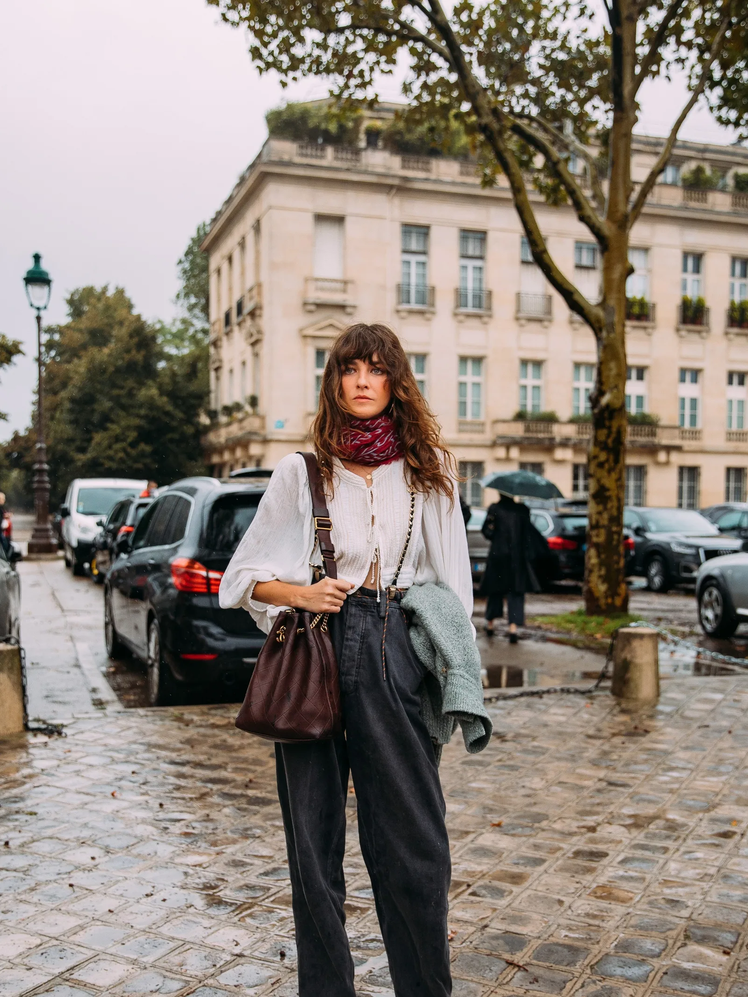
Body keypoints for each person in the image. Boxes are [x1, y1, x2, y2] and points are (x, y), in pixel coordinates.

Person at [220, 322, 473, 997]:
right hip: (317, 650)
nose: (362, 380)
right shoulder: (301, 473)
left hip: (398, 645)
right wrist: (301, 590)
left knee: (415, 844)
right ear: (334, 382)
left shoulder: (429, 473)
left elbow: (455, 588)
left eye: (375, 368)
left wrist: (453, 676)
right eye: (348, 369)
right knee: (314, 841)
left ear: (395, 381)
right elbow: (239, 578)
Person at [479, 492, 547, 640]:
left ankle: (490, 623)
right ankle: (513, 628)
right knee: (516, 591)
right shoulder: (522, 510)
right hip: (518, 557)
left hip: (498, 556)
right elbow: (528, 534)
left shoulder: (494, 509)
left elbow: (486, 531)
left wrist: (494, 532)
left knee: (495, 590)